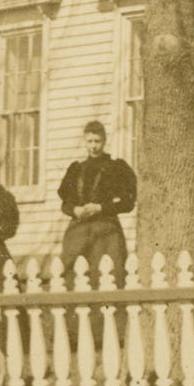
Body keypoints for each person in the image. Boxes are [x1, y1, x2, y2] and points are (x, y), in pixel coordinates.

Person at [57, 120, 136, 288]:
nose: (93, 146)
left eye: (97, 141)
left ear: (104, 141)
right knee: (74, 276)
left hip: (106, 230)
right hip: (78, 231)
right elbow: (65, 204)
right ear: (85, 141)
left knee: (108, 276)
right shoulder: (76, 169)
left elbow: (128, 203)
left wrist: (101, 208)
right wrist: (75, 210)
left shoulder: (116, 168)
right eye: (90, 141)